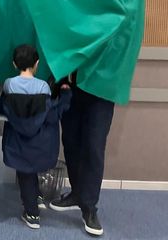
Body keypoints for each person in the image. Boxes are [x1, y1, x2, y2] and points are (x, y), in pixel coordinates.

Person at [0, 44, 71, 229]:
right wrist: (66, 94)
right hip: (40, 143)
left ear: (14, 64)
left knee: (25, 173)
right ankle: (33, 213)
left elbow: (1, 106)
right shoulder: (44, 87)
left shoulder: (9, 85)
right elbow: (51, 114)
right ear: (37, 63)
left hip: (18, 143)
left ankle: (32, 209)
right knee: (31, 170)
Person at [49, 71, 113, 237]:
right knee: (70, 141)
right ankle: (77, 193)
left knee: (94, 147)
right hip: (72, 85)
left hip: (101, 90)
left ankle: (89, 207)